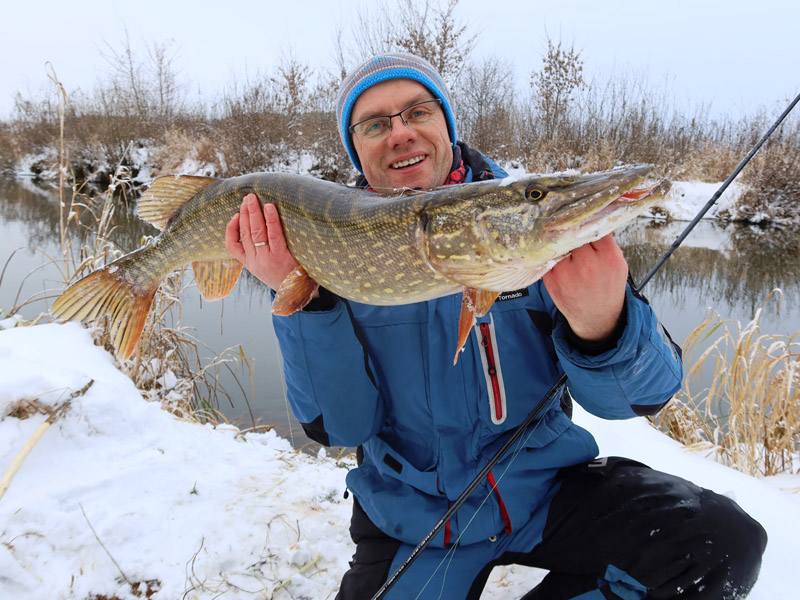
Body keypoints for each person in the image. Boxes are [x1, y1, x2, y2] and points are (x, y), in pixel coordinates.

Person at [225, 53, 767, 599]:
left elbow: (641, 396)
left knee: (717, 545)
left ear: (445, 123)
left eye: (418, 110)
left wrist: (604, 324)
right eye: (375, 124)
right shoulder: (329, 245)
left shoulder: (532, 233)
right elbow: (338, 427)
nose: (401, 133)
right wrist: (302, 299)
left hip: (540, 493)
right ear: (356, 147)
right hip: (409, 519)